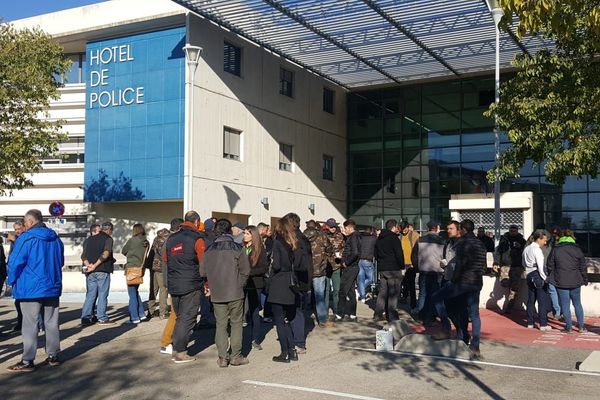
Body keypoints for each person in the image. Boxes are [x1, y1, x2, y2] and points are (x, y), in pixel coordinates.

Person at [6, 209, 64, 372]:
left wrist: (11, 281)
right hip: (51, 286)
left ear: (30, 222)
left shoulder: (26, 238)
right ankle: (53, 355)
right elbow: (61, 261)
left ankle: (27, 360)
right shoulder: (55, 238)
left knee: (30, 324)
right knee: (51, 322)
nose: (24, 225)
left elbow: (15, 262)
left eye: (25, 222)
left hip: (30, 287)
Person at [200, 219, 251, 367]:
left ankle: (223, 357)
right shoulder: (237, 248)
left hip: (217, 292)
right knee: (236, 324)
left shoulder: (209, 250)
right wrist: (240, 284)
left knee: (221, 325)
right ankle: (235, 356)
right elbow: (246, 270)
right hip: (235, 291)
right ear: (230, 231)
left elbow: (202, 271)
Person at [164, 211, 206, 364]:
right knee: (188, 318)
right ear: (196, 222)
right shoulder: (197, 239)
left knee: (180, 317)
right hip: (191, 284)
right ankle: (180, 351)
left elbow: (165, 260)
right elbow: (203, 263)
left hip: (174, 284)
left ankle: (176, 348)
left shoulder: (171, 239)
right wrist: (206, 284)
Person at [267, 217, 298, 363]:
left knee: (279, 321)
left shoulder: (278, 243)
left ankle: (284, 352)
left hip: (279, 282)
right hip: (290, 283)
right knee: (286, 320)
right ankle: (292, 351)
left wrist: (271, 265)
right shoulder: (292, 243)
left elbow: (277, 265)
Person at [547, 229, 588, 333]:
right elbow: (583, 266)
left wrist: (552, 276)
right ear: (572, 237)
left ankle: (568, 327)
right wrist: (585, 279)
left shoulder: (556, 249)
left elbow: (549, 265)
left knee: (565, 305)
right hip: (575, 280)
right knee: (577, 303)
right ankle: (581, 326)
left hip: (561, 280)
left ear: (560, 237)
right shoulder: (577, 249)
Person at [282, 213, 312, 354]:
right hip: (302, 279)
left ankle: (299, 342)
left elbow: (299, 262)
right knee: (295, 310)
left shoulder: (297, 239)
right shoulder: (302, 238)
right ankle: (295, 340)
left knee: (296, 311)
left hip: (298, 280)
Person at [81, 221, 116, 326]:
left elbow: (83, 256)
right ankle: (102, 317)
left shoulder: (88, 240)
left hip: (90, 271)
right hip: (102, 269)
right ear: (109, 230)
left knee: (90, 295)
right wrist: (95, 265)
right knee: (102, 294)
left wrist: (89, 266)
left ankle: (85, 317)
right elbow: (106, 253)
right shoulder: (108, 239)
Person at [433, 221, 463, 341]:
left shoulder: (462, 244)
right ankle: (450, 330)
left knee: (454, 307)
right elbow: (447, 259)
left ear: (458, 230)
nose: (449, 231)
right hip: (447, 277)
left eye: (451, 228)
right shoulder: (448, 243)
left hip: (457, 280)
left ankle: (460, 332)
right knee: (446, 306)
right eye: (448, 228)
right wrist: (444, 264)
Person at [411, 221, 445, 324]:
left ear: (427, 228)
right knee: (434, 295)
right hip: (436, 271)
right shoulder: (442, 241)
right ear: (437, 228)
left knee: (422, 294)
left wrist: (418, 267)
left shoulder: (420, 240)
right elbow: (445, 256)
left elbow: (414, 256)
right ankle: (433, 316)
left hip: (423, 271)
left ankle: (421, 315)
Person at [159, 217, 183, 355]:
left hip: (172, 280)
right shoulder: (172, 241)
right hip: (174, 281)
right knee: (175, 313)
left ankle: (170, 340)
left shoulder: (169, 240)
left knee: (177, 313)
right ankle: (166, 341)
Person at [242, 225, 269, 350]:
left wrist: (249, 272)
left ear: (253, 235)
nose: (244, 236)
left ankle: (255, 338)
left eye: (247, 233)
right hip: (242, 284)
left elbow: (263, 268)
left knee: (254, 312)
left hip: (255, 284)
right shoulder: (241, 248)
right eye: (244, 233)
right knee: (242, 312)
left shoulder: (260, 250)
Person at [374, 219, 405, 321]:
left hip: (383, 268)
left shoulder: (379, 239)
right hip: (393, 269)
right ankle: (392, 316)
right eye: (396, 227)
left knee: (383, 292)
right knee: (393, 293)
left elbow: (376, 254)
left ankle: (378, 314)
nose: (397, 229)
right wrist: (402, 266)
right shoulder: (394, 239)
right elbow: (399, 254)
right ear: (393, 227)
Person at [304, 220, 332, 327]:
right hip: (319, 270)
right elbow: (330, 250)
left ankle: (301, 318)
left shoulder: (301, 236)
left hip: (305, 269)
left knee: (304, 294)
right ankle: (322, 319)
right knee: (319, 295)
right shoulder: (322, 236)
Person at [522, 230, 552, 330]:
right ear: (539, 239)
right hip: (537, 275)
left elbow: (523, 262)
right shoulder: (537, 250)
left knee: (531, 300)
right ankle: (543, 324)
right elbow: (540, 266)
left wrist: (528, 269)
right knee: (541, 300)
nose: (545, 242)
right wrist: (545, 278)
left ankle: (530, 323)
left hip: (529, 274)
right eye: (544, 240)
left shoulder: (526, 249)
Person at [495, 225, 526, 313]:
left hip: (517, 265)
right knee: (504, 283)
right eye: (511, 230)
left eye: (514, 230)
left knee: (514, 287)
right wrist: (496, 262)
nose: (512, 231)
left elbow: (525, 252)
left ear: (517, 231)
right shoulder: (504, 239)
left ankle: (510, 305)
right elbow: (498, 251)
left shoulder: (521, 240)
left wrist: (519, 247)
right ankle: (511, 284)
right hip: (506, 265)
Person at [122, 223, 150, 324]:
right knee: (135, 291)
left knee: (132, 293)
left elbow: (123, 251)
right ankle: (141, 314)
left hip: (131, 269)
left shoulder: (132, 240)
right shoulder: (146, 242)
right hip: (140, 269)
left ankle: (134, 317)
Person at [337, 219, 361, 322]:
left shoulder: (353, 237)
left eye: (345, 228)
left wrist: (346, 262)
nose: (344, 230)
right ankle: (352, 314)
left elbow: (355, 253)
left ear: (350, 228)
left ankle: (339, 314)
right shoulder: (353, 237)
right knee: (351, 292)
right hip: (352, 267)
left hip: (350, 268)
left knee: (342, 291)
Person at [149, 227, 170, 320]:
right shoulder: (165, 241)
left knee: (154, 289)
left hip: (154, 267)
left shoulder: (156, 239)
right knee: (163, 289)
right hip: (162, 268)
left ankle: (151, 310)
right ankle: (163, 312)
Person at [325, 218, 344, 320]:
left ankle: (336, 310)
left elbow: (344, 248)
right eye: (331, 226)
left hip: (336, 266)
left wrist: (341, 254)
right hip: (326, 266)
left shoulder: (340, 235)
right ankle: (325, 311)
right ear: (327, 226)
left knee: (336, 290)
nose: (333, 228)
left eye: (334, 226)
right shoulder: (323, 236)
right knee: (326, 290)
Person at [9, 219, 26, 332]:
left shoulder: (23, 239)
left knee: (22, 302)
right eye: (15, 230)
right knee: (18, 302)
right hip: (17, 276)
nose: (17, 231)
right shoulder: (16, 239)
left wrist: (15, 241)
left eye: (19, 229)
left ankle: (22, 323)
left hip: (24, 275)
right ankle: (20, 322)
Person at [400, 221, 420, 309]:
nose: (404, 230)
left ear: (408, 227)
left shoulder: (414, 235)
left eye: (405, 228)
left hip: (411, 263)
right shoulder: (400, 236)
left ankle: (413, 304)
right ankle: (404, 297)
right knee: (404, 282)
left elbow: (419, 246)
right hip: (402, 263)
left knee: (411, 284)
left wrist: (415, 262)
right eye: (402, 229)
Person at [358, 226, 376, 303]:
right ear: (371, 232)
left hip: (359, 260)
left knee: (361, 279)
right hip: (368, 260)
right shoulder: (373, 238)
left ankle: (362, 295)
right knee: (370, 278)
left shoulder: (360, 238)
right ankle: (360, 291)